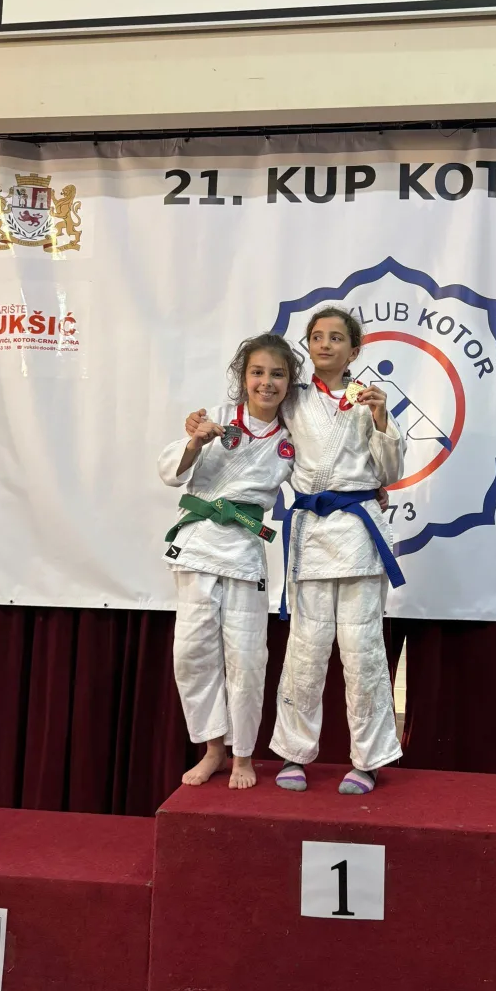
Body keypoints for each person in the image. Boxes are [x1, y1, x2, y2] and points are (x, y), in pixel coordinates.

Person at [185, 306, 406, 795]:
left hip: (359, 534)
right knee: (305, 650)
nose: (325, 344)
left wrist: (381, 420)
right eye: (317, 336)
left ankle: (368, 759)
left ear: (354, 349)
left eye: (337, 337)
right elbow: (253, 419)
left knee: (362, 650)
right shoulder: (293, 398)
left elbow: (390, 472)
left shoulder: (368, 400)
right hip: (311, 535)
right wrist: (200, 424)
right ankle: (293, 751)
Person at [159, 333, 301, 789]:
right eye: (257, 372)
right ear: (243, 377)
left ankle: (243, 755)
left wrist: (370, 489)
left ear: (289, 382)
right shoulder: (216, 419)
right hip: (198, 547)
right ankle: (213, 749)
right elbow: (169, 474)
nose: (266, 382)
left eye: (277, 374)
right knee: (192, 654)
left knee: (247, 658)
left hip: (243, 553)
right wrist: (194, 442)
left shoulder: (291, 439)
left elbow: (322, 478)